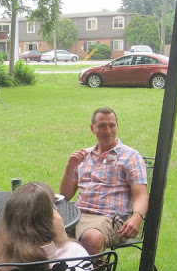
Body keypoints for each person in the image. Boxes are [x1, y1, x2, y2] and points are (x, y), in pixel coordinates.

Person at [59, 107, 148, 255]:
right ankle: (60, 270)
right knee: (38, 230)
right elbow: (65, 195)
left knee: (92, 238)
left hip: (110, 218)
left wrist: (137, 217)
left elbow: (141, 196)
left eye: (112, 125)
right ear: (92, 128)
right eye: (101, 126)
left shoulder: (131, 156)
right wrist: (70, 167)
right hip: (77, 214)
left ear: (117, 126)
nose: (107, 131)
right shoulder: (84, 155)